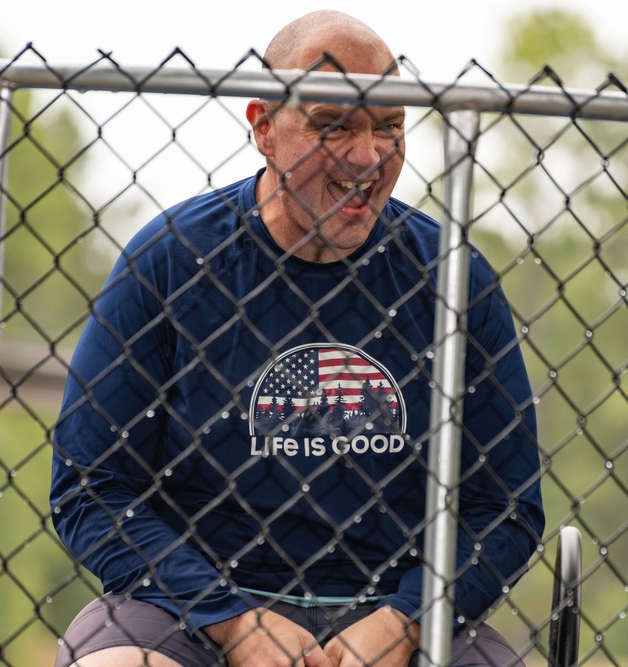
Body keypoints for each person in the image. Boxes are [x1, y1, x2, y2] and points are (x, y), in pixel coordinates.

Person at [50, 10, 544, 667]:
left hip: (398, 608)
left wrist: (410, 617)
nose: (367, 156)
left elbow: (506, 507)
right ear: (263, 126)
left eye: (390, 126)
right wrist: (231, 620)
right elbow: (89, 488)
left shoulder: (454, 276)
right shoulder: (170, 260)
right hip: (188, 607)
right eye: (333, 124)